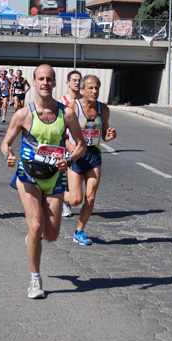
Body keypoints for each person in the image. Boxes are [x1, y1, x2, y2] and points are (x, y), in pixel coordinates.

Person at [0, 64, 86, 299]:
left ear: (54, 83)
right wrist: (8, 155)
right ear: (34, 82)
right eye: (41, 78)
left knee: (51, 235)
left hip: (55, 177)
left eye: (49, 79)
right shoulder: (23, 114)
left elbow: (81, 145)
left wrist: (68, 160)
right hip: (27, 176)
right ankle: (35, 280)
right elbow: (5, 142)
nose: (45, 82)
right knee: (36, 225)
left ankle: (32, 238)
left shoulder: (66, 113)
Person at [65, 75, 116, 245]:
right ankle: (53, 194)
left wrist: (109, 136)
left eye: (97, 88)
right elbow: (59, 132)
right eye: (91, 88)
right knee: (75, 200)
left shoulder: (104, 109)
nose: (94, 91)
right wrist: (68, 145)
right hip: (77, 157)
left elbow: (104, 134)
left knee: (91, 197)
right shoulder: (73, 108)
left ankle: (79, 230)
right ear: (82, 90)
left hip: (94, 156)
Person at [60, 70, 82, 217]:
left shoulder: (84, 101)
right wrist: (67, 143)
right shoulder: (61, 102)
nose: (77, 82)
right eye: (74, 80)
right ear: (68, 83)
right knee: (67, 175)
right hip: (66, 146)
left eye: (79, 80)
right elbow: (58, 128)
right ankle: (64, 202)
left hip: (82, 146)